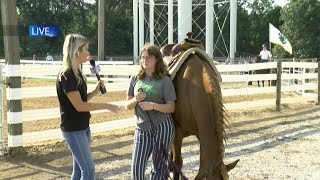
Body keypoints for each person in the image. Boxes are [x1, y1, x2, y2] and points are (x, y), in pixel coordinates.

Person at [56, 34, 124, 180]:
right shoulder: (67, 76)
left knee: (79, 172)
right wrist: (107, 105)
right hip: (74, 130)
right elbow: (80, 106)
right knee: (88, 171)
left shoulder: (76, 73)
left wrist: (94, 92)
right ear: (76, 52)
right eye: (85, 49)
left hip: (82, 127)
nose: (88, 53)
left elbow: (80, 100)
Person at [126, 43, 176, 179]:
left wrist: (153, 106)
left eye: (149, 57)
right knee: (136, 169)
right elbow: (128, 105)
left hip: (162, 126)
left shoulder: (165, 80)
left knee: (158, 170)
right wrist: (136, 99)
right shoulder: (135, 79)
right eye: (143, 57)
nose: (145, 60)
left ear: (157, 60)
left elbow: (171, 107)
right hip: (142, 128)